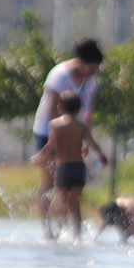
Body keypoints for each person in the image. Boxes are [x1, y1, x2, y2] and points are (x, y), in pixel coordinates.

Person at [33, 37, 103, 239]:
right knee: (50, 180)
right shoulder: (60, 76)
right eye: (92, 68)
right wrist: (56, 145)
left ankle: (66, 228)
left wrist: (83, 141)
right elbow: (52, 112)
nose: (94, 72)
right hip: (48, 132)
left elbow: (88, 114)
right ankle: (47, 229)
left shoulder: (91, 82)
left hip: (74, 134)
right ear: (81, 63)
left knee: (69, 186)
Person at [30, 91, 108, 240]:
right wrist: (101, 156)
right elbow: (92, 143)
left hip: (64, 168)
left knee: (58, 201)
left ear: (60, 107)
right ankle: (77, 236)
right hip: (79, 168)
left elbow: (51, 145)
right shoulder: (82, 126)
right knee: (75, 204)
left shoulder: (56, 125)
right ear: (79, 109)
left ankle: (57, 231)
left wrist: (39, 157)